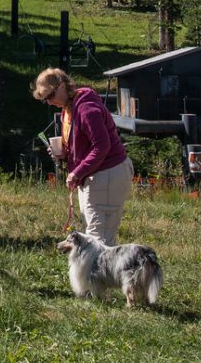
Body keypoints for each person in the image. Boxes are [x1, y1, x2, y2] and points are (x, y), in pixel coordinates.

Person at [35, 66, 132, 245]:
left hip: (107, 174)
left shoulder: (86, 109)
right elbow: (83, 145)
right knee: (94, 234)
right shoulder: (68, 108)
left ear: (62, 86)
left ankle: (100, 273)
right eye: (44, 99)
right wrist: (64, 153)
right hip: (96, 175)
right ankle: (99, 272)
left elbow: (102, 146)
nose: (49, 102)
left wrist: (77, 172)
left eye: (50, 96)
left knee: (98, 239)